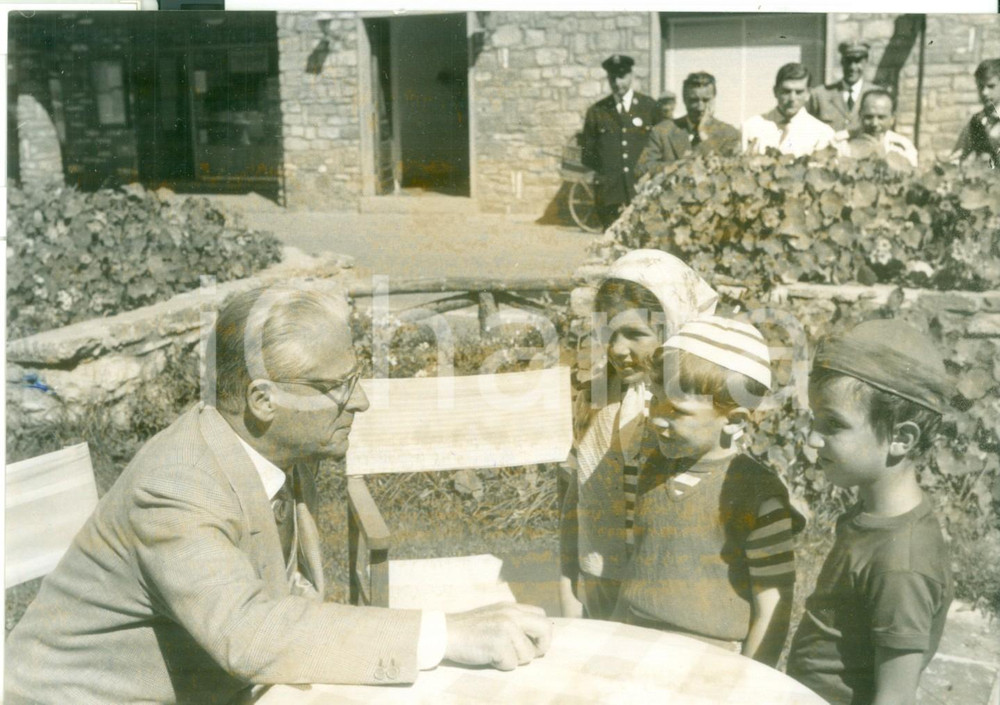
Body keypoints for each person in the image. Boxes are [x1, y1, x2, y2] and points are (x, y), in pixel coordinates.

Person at [4, 286, 552, 705]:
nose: (359, 401)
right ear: (263, 400)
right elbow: (249, 634)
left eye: (354, 376)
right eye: (336, 387)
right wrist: (446, 631)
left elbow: (285, 603)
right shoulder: (177, 488)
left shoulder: (278, 449)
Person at [614, 316, 805, 666]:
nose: (656, 418)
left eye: (676, 411)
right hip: (632, 640)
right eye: (655, 400)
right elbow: (637, 562)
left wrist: (752, 679)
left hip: (708, 659)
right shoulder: (649, 467)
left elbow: (773, 605)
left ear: (733, 421)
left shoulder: (756, 495)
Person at [786, 319, 954, 705]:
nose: (813, 438)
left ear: (901, 437)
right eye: (814, 419)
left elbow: (894, 697)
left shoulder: (901, 565)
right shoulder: (872, 517)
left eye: (833, 425)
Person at [559, 249, 718, 621]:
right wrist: (568, 587)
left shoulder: (693, 410)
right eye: (608, 334)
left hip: (671, 586)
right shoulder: (596, 399)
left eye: (635, 335)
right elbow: (572, 499)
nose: (617, 350)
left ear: (675, 326)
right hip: (602, 576)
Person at [581, 54, 659, 230]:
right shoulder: (597, 111)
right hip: (610, 195)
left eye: (622, 76)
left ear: (631, 75)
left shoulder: (649, 107)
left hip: (644, 192)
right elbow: (587, 155)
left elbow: (661, 147)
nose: (617, 82)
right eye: (612, 77)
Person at [636, 72, 740, 178]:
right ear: (684, 100)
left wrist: (703, 135)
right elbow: (642, 168)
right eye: (694, 100)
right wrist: (676, 166)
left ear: (713, 99)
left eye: (706, 100)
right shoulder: (662, 131)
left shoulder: (729, 134)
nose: (700, 107)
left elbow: (731, 172)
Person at [742, 63, 836, 157]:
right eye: (786, 91)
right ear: (775, 91)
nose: (792, 98)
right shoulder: (751, 127)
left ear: (808, 94)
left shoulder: (822, 133)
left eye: (799, 92)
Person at [832, 89, 919, 168]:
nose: (874, 123)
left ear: (892, 118)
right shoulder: (841, 143)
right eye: (869, 117)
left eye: (881, 117)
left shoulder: (902, 147)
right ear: (860, 115)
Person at [808, 42, 873, 131]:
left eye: (857, 61)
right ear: (842, 62)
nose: (852, 67)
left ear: (866, 62)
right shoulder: (820, 94)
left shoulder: (875, 95)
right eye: (848, 61)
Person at [950, 58, 1000, 167]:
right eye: (980, 87)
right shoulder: (977, 121)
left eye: (991, 86)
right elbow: (957, 155)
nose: (985, 92)